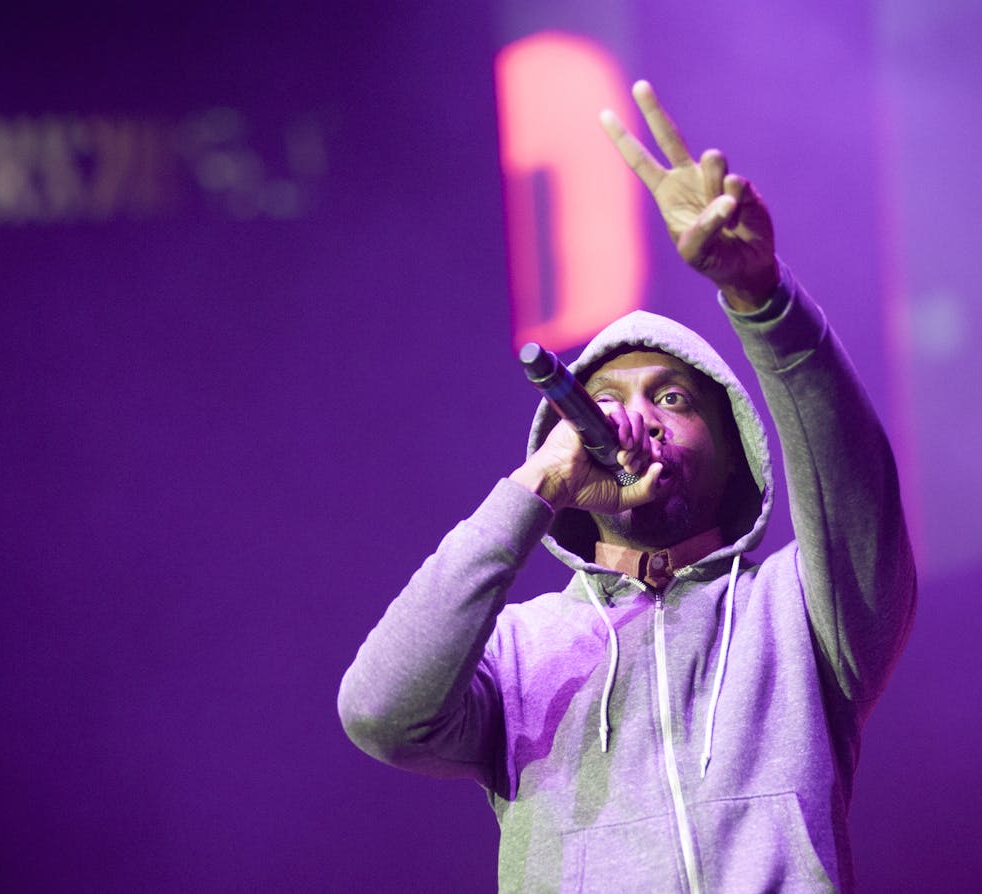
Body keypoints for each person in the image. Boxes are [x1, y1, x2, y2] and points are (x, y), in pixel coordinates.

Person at [338, 81, 916, 893]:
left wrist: (762, 297)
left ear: (734, 450)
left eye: (672, 398)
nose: (635, 419)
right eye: (606, 403)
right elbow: (379, 714)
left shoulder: (798, 611)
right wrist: (538, 484)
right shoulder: (515, 650)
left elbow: (853, 480)